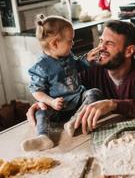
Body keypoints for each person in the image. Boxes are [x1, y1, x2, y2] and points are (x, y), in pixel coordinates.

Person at [27, 20, 135, 135]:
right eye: (101, 41)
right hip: (98, 137)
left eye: (109, 43)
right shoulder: (91, 68)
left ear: (129, 51)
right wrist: (47, 102)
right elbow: (69, 93)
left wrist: (112, 104)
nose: (101, 48)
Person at [22, 14, 102, 151]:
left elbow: (77, 66)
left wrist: (87, 59)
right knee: (41, 112)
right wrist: (51, 102)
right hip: (57, 107)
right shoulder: (41, 66)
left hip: (78, 101)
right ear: (54, 43)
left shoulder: (68, 55)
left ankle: (74, 121)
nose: (73, 44)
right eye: (70, 41)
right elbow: (36, 91)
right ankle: (43, 137)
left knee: (95, 93)